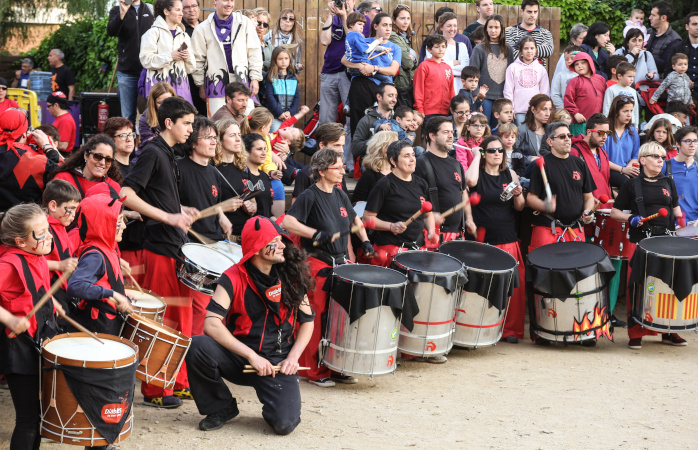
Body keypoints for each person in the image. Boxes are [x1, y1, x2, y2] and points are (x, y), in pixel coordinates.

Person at [185, 216, 314, 434]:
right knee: (197, 345)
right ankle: (221, 406)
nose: (283, 244)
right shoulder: (232, 277)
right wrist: (252, 356)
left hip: (277, 361)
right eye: (275, 240)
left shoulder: (292, 274)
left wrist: (293, 358)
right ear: (256, 248)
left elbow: (307, 322)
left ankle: (275, 401)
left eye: (281, 239)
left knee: (284, 425)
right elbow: (211, 324)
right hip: (240, 357)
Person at [120, 97, 202, 408]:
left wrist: (178, 209)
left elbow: (157, 195)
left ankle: (175, 383)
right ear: (169, 123)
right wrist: (167, 217)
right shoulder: (153, 151)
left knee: (180, 318)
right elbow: (126, 194)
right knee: (166, 320)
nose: (191, 131)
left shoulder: (167, 153)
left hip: (174, 246)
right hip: (158, 247)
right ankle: (156, 389)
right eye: (187, 124)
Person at [283, 150, 373, 387]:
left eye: (343, 166)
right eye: (338, 167)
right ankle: (313, 370)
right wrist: (315, 234)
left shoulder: (341, 195)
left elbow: (355, 220)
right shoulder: (309, 196)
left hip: (340, 264)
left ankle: (336, 365)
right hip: (316, 266)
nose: (343, 170)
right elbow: (287, 222)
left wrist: (365, 241)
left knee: (338, 318)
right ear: (322, 171)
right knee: (316, 317)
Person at [0, 204, 62, 450]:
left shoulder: (35, 255)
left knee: (39, 419)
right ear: (20, 241)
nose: (49, 236)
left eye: (48, 229)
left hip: (38, 341)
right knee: (28, 420)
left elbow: (33, 284)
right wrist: (9, 319)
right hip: (18, 348)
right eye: (41, 233)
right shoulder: (7, 263)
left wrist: (52, 299)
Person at [611, 142, 684, 349]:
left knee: (668, 287)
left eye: (662, 157)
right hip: (641, 242)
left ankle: (670, 330)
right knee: (639, 287)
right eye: (655, 156)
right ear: (642, 160)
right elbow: (616, 212)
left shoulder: (668, 182)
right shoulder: (631, 184)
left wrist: (683, 223)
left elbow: (676, 210)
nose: (661, 160)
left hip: (666, 243)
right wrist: (631, 218)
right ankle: (636, 333)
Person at [464, 135, 525, 343]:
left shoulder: (510, 173)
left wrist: (518, 194)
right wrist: (475, 156)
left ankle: (509, 331)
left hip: (507, 236)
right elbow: (469, 182)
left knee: (511, 287)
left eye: (500, 150)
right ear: (483, 153)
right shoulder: (477, 174)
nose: (498, 154)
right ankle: (480, 328)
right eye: (492, 150)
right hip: (482, 239)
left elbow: (520, 207)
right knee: (481, 287)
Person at [67, 188, 134, 335]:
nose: (124, 226)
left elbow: (105, 281)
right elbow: (75, 286)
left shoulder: (109, 249)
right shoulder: (95, 256)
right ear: (103, 224)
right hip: (97, 326)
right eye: (119, 221)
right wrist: (113, 294)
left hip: (109, 321)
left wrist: (122, 294)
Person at [364, 140, 437, 268]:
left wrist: (431, 231)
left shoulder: (422, 184)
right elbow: (367, 219)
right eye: (406, 156)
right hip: (391, 250)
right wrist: (391, 226)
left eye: (413, 155)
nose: (412, 159)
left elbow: (427, 214)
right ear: (393, 161)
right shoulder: (384, 185)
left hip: (417, 248)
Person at [526, 122, 596, 250]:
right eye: (562, 137)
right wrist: (544, 205)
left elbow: (588, 197)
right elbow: (530, 198)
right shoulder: (541, 164)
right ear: (550, 142)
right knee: (545, 268)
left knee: (576, 268)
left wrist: (587, 211)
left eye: (569, 135)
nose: (568, 139)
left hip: (575, 229)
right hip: (549, 228)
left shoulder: (579, 164)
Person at [191, 0, 262, 116]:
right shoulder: (202, 28)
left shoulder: (244, 23)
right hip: (215, 84)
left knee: (247, 123)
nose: (229, 4)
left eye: (232, 0)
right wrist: (200, 85)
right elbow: (197, 60)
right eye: (225, 0)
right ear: (215, 4)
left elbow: (254, 52)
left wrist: (255, 78)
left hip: (241, 81)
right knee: (218, 123)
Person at [415, 116, 472, 243]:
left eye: (452, 132)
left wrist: (469, 219)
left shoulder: (456, 164)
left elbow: (463, 193)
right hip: (431, 236)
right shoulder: (420, 164)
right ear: (432, 136)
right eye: (446, 132)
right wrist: (428, 216)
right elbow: (413, 198)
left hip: (456, 234)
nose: (451, 136)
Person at [344, 13, 401, 138]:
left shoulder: (395, 48)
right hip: (362, 86)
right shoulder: (364, 41)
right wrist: (361, 67)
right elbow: (344, 60)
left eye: (390, 25)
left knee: (381, 127)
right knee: (360, 126)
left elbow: (393, 70)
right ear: (375, 26)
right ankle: (359, 156)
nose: (388, 29)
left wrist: (373, 68)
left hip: (383, 89)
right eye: (384, 25)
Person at [178, 116, 233, 246]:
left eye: (215, 138)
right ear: (193, 142)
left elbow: (214, 203)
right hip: (189, 242)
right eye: (208, 138)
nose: (214, 142)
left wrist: (222, 216)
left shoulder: (214, 171)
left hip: (215, 240)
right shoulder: (177, 168)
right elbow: (166, 201)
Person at [318, 0, 370, 127]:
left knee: (351, 119)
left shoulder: (362, 19)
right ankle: (325, 146)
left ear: (354, 1)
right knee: (325, 120)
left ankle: (347, 147)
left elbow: (354, 40)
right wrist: (330, 15)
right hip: (329, 70)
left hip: (350, 73)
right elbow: (325, 41)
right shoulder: (334, 17)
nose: (344, 2)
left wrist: (344, 17)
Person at [0, 108, 60, 212]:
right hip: (26, 221)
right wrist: (48, 147)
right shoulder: (35, 161)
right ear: (24, 134)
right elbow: (60, 170)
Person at [108, 0, 155, 123]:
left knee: (153, 113)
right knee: (127, 117)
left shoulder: (151, 10)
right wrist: (122, 13)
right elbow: (111, 32)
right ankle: (129, 142)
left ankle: (151, 142)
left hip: (149, 71)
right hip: (127, 72)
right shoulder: (116, 10)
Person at [140, 0, 196, 103]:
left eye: (182, 10)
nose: (181, 13)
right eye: (178, 10)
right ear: (166, 11)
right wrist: (170, 56)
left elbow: (191, 69)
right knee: (160, 118)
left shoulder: (184, 35)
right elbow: (146, 60)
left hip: (181, 90)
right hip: (159, 90)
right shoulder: (152, 33)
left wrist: (187, 56)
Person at [42, 180, 80, 326]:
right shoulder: (44, 229)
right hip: (50, 293)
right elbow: (29, 263)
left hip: (62, 293)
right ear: (53, 206)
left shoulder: (60, 226)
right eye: (70, 209)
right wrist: (58, 265)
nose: (73, 215)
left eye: (76, 210)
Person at [239, 107, 286, 217]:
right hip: (250, 174)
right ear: (263, 128)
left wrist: (271, 172)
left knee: (277, 184)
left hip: (263, 174)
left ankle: (278, 222)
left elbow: (267, 160)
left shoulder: (265, 139)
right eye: (270, 127)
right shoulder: (243, 138)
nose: (270, 130)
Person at [215, 119, 258, 236]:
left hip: (246, 234)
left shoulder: (243, 167)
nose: (239, 139)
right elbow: (203, 205)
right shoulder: (212, 169)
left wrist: (251, 207)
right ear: (220, 139)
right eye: (232, 135)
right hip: (223, 235)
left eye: (239, 135)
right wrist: (224, 207)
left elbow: (253, 202)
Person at [470, 14, 515, 126]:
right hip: (485, 97)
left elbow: (512, 74)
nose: (493, 30)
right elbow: (473, 73)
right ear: (486, 29)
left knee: (499, 130)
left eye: (496, 27)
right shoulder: (479, 48)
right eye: (490, 27)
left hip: (502, 97)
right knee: (484, 128)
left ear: (501, 29)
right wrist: (476, 97)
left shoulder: (508, 49)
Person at [50, 135, 123, 199]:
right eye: (97, 156)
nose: (102, 163)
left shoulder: (113, 187)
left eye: (108, 159)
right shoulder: (63, 179)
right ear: (86, 155)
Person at [294, 123, 349, 200]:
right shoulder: (306, 174)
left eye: (342, 146)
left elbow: (344, 203)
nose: (341, 151)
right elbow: (297, 210)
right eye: (336, 145)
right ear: (322, 146)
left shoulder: (339, 170)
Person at [504, 36, 550, 126]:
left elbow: (545, 92)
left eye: (532, 48)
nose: (529, 51)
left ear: (536, 49)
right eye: (526, 48)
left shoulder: (541, 69)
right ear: (521, 50)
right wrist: (510, 109)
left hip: (536, 112)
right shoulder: (512, 67)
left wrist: (543, 109)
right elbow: (508, 90)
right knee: (521, 136)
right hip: (518, 111)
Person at [351, 83, 398, 160]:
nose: (394, 100)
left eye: (396, 96)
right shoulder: (367, 120)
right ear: (379, 97)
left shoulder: (398, 119)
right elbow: (355, 148)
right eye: (390, 96)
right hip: (374, 163)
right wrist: (377, 140)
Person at [564, 52, 607, 136]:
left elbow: (607, 98)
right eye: (576, 64)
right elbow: (568, 100)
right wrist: (575, 113)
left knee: (595, 145)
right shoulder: (573, 82)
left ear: (590, 63)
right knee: (579, 144)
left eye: (583, 63)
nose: (579, 66)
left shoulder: (601, 79)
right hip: (579, 122)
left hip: (598, 123)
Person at [425, 13, 470, 92]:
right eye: (449, 26)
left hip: (457, 88)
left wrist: (441, 66)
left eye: (455, 26)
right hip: (437, 88)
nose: (452, 29)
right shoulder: (432, 45)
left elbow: (465, 70)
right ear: (441, 27)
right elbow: (432, 68)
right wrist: (452, 63)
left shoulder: (461, 46)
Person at [413, 35, 455, 118]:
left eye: (443, 46)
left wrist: (453, 107)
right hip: (428, 111)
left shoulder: (448, 68)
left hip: (446, 111)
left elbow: (451, 90)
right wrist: (419, 108)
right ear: (429, 49)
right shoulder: (424, 66)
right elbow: (418, 88)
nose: (441, 49)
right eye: (437, 47)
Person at [504, 0, 554, 68]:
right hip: (516, 75)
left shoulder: (545, 33)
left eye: (535, 12)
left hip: (538, 76)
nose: (533, 15)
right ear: (522, 12)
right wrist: (538, 50)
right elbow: (511, 54)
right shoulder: (509, 32)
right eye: (529, 12)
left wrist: (521, 49)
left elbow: (548, 51)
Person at [344, 13, 392, 84]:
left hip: (353, 69)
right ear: (351, 24)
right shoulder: (356, 35)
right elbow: (367, 50)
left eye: (363, 25)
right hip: (361, 67)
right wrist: (377, 41)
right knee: (386, 79)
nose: (362, 27)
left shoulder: (349, 36)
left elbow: (367, 46)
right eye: (359, 24)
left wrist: (382, 48)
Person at [664, 126, 698, 223]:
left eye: (695, 141)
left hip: (695, 227)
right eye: (688, 141)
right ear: (678, 144)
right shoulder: (665, 166)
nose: (692, 145)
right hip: (672, 226)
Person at [604, 95, 641, 186]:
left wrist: (627, 170)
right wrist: (622, 170)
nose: (629, 114)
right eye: (625, 111)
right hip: (610, 171)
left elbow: (635, 156)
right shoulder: (606, 131)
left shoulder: (633, 131)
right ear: (616, 112)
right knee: (630, 185)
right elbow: (602, 158)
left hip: (628, 170)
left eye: (631, 111)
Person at [352, 131, 397, 204]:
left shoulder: (400, 171)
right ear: (384, 148)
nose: (400, 148)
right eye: (396, 145)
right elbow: (356, 202)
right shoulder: (370, 175)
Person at [265, 47, 301, 131]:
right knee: (275, 136)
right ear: (275, 60)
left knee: (287, 138)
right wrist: (279, 113)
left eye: (286, 58)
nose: (284, 61)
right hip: (275, 116)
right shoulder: (271, 77)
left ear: (290, 60)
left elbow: (297, 97)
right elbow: (269, 97)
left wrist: (291, 112)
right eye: (280, 59)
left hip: (289, 117)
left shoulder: (293, 78)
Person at [241, 133, 275, 218]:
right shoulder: (241, 176)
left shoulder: (264, 175)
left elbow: (268, 211)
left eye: (265, 149)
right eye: (259, 149)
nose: (264, 153)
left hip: (266, 225)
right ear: (246, 152)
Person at [665, 12, 698, 100]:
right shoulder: (677, 48)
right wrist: (682, 81)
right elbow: (668, 71)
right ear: (687, 27)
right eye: (694, 24)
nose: (697, 27)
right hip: (680, 98)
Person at [389, 4, 417, 108]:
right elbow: (407, 63)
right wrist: (412, 60)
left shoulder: (403, 36)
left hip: (406, 83)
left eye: (408, 18)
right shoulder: (393, 36)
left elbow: (414, 64)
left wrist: (413, 60)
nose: (406, 22)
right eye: (402, 18)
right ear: (394, 20)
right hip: (399, 85)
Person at [515, 94, 552, 170]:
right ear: (533, 110)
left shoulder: (551, 130)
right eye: (544, 109)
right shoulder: (522, 130)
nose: (548, 113)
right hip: (529, 169)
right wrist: (529, 159)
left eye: (550, 109)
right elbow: (511, 153)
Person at [646, 1, 682, 77]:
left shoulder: (675, 40)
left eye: (653, 15)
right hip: (640, 79)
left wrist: (644, 55)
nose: (650, 18)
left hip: (659, 84)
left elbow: (666, 66)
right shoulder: (648, 32)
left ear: (663, 18)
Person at [603, 62, 641, 128]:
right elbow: (607, 108)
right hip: (615, 124)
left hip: (630, 124)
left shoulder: (633, 91)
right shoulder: (611, 90)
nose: (632, 79)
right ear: (619, 76)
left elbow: (635, 109)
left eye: (633, 77)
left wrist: (636, 125)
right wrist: (607, 124)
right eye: (629, 76)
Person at [139, 81, 176, 148]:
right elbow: (148, 143)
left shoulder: (181, 113)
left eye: (168, 101)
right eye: (160, 103)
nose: (165, 105)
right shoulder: (145, 117)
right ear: (153, 103)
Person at [267, 8, 304, 73]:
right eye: (284, 18)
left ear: (293, 23)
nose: (287, 21)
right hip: (271, 75)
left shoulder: (296, 41)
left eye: (291, 19)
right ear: (279, 20)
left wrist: (298, 67)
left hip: (288, 77)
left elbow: (296, 64)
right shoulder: (269, 36)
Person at [550, 45, 581, 110]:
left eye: (572, 58)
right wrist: (564, 109)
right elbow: (555, 95)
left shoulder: (584, 75)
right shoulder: (560, 76)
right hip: (565, 112)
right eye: (566, 59)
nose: (569, 61)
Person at [46, 91, 76, 157]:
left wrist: (44, 143)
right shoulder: (62, 118)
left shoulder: (65, 120)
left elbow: (63, 145)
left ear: (56, 105)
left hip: (62, 156)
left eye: (48, 106)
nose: (47, 108)